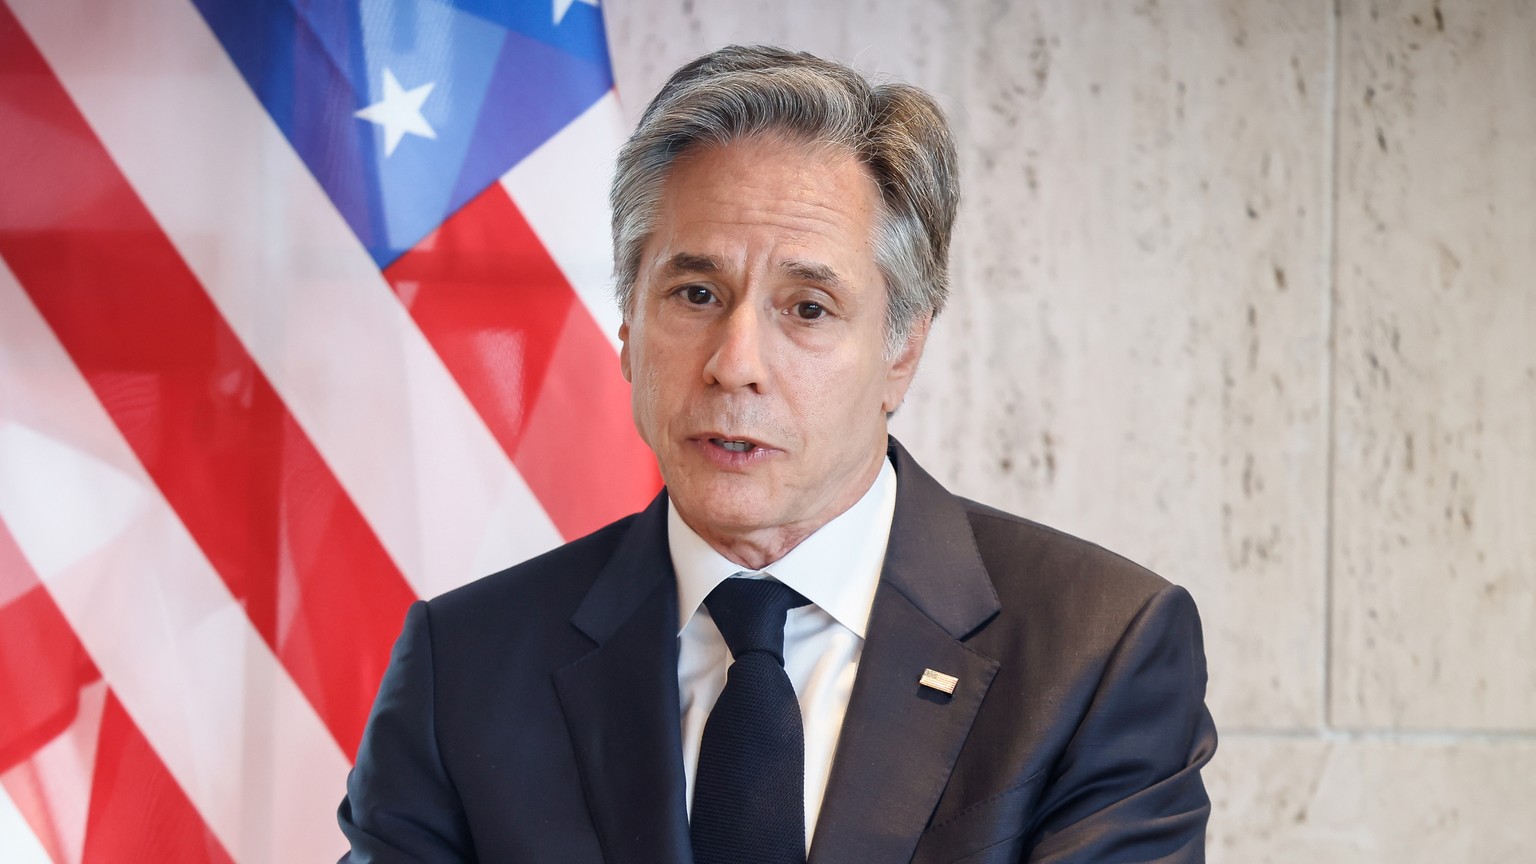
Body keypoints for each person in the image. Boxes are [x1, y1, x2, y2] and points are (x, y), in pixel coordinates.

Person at [338, 45, 1216, 864]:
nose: (735, 363)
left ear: (901, 348)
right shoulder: (463, 667)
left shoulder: (1097, 653)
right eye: (694, 293)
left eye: (808, 308)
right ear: (628, 331)